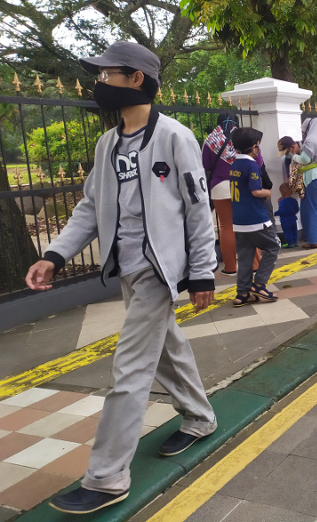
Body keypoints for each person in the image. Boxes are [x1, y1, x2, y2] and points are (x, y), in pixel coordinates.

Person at [25, 42, 217, 514]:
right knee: (166, 347)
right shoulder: (107, 144)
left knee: (129, 370)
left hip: (158, 270)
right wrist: (55, 254)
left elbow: (197, 207)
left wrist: (202, 272)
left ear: (137, 79)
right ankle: (199, 416)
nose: (100, 84)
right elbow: (90, 206)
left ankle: (108, 476)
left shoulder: (174, 137)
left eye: (107, 74)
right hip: (126, 268)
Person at [202, 111, 262, 276]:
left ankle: (230, 267)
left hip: (219, 186)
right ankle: (255, 264)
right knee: (249, 225)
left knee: (226, 227)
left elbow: (205, 165)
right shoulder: (245, 138)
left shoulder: (210, 139)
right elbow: (258, 161)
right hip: (242, 185)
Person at [230, 127, 280, 306]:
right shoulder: (252, 165)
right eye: (258, 145)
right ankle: (259, 284)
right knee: (274, 245)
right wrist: (266, 192)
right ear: (253, 147)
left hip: (239, 221)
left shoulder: (234, 164)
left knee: (245, 255)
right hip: (256, 219)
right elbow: (255, 190)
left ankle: (242, 293)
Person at [277, 117, 317, 249]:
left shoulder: (310, 141)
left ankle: (313, 240)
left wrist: (293, 157)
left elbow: (305, 159)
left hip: (313, 181)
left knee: (311, 210)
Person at [274, 182, 299, 248]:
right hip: (293, 219)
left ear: (281, 192)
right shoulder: (294, 200)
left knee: (288, 232)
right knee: (294, 231)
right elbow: (297, 209)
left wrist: (274, 213)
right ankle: (295, 242)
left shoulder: (282, 202)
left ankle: (290, 243)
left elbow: (281, 211)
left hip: (285, 220)